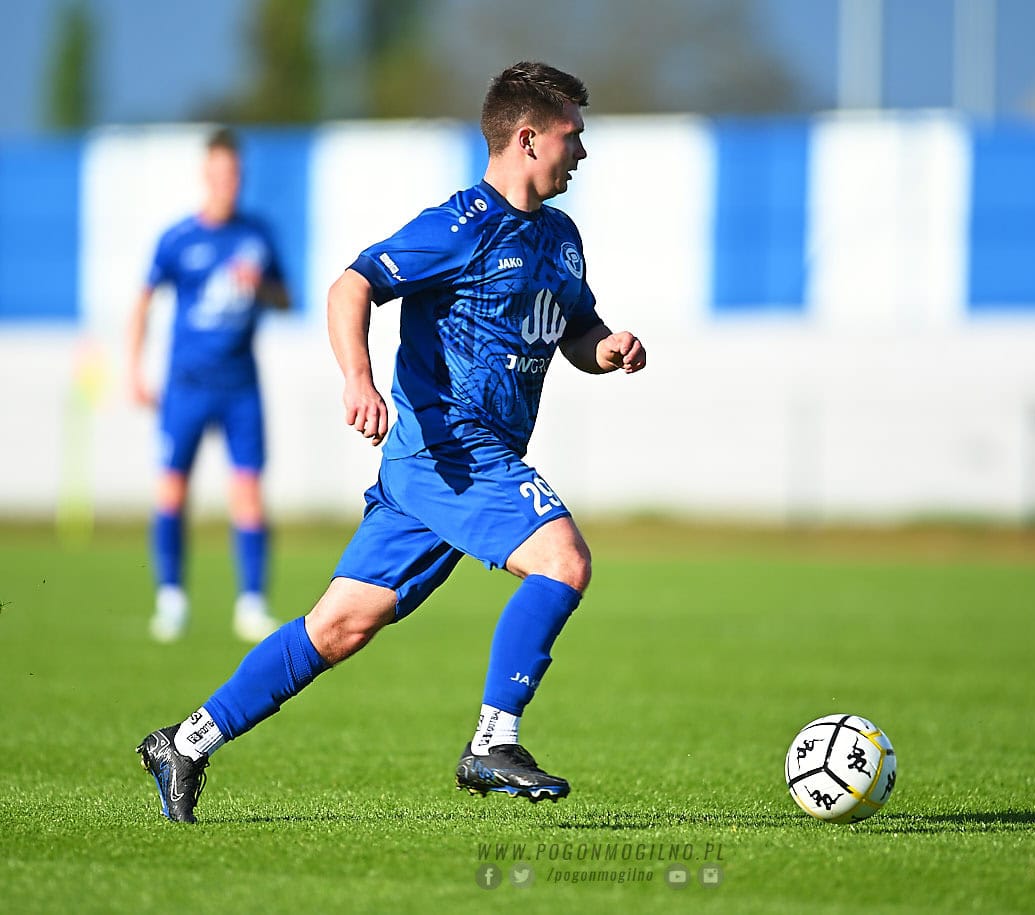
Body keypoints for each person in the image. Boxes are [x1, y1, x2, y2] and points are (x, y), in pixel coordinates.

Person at [137, 61, 646, 823]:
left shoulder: (561, 237)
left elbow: (576, 329)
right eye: (573, 135)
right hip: (452, 451)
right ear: (528, 138)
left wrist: (606, 347)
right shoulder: (458, 227)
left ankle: (184, 742)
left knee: (337, 626)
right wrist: (359, 379)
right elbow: (351, 285)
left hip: (448, 467)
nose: (582, 151)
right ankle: (494, 739)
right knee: (563, 560)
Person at [127, 127, 290, 645]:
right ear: (206, 175)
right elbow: (143, 302)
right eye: (219, 173)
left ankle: (252, 604)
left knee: (249, 494)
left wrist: (261, 288)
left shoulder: (257, 235)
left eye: (234, 173)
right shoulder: (178, 238)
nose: (227, 182)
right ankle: (171, 600)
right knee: (172, 490)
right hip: (187, 385)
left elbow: (286, 300)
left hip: (240, 385)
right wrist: (134, 371)